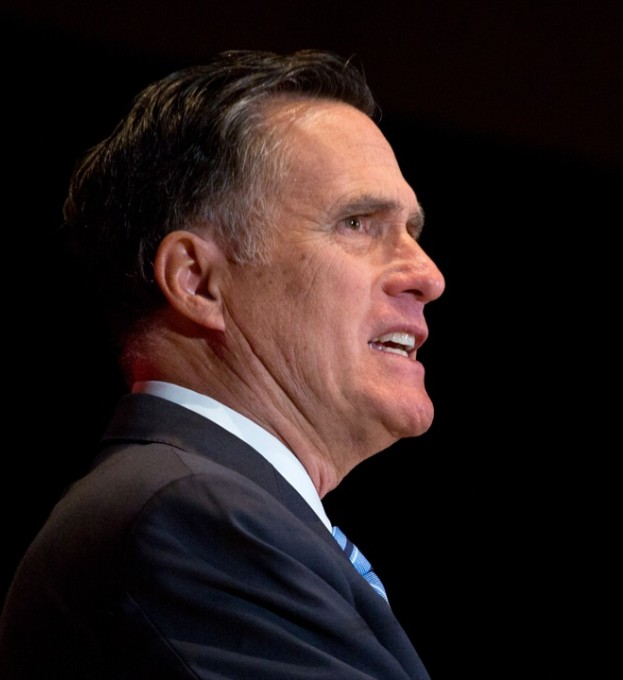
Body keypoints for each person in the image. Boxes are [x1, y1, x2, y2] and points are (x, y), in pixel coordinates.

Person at [0, 49, 444, 679]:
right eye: (358, 223)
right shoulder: (190, 521)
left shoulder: (221, 512)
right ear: (197, 281)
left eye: (413, 231)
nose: (427, 276)